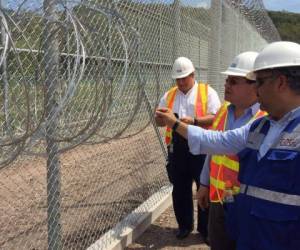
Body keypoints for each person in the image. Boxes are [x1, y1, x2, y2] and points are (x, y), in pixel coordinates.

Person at [156, 41, 300, 250]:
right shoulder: (261, 127)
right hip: (247, 228)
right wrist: (176, 123)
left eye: (259, 82)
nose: (257, 91)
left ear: (281, 83)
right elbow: (217, 142)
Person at [197, 51, 266, 250]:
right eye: (227, 80)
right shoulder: (223, 111)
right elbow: (211, 148)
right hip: (219, 199)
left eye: (234, 81)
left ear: (255, 85)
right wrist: (204, 183)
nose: (226, 85)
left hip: (246, 204)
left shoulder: (265, 118)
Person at [155, 56, 221, 240]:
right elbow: (159, 121)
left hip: (201, 147)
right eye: (178, 79)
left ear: (193, 74)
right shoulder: (169, 95)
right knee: (180, 188)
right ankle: (184, 225)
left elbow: (216, 117)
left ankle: (205, 229)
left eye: (185, 78)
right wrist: (160, 119)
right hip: (177, 148)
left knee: (204, 187)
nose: (182, 82)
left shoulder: (207, 92)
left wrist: (195, 121)